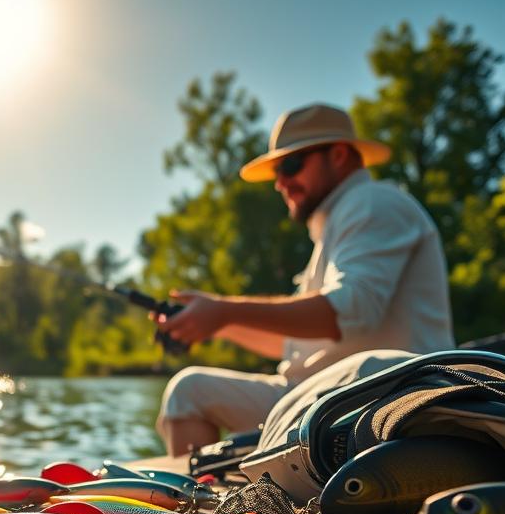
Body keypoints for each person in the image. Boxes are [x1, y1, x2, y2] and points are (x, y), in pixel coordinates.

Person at [154, 103, 454, 455]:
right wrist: (214, 322)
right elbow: (298, 341)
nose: (280, 182)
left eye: (290, 165)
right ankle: (203, 489)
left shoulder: (372, 202)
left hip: (385, 402)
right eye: (276, 172)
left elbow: (353, 310)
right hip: (339, 399)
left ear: (338, 155)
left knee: (188, 392)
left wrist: (223, 311)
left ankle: (196, 492)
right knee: (189, 392)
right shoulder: (340, 223)